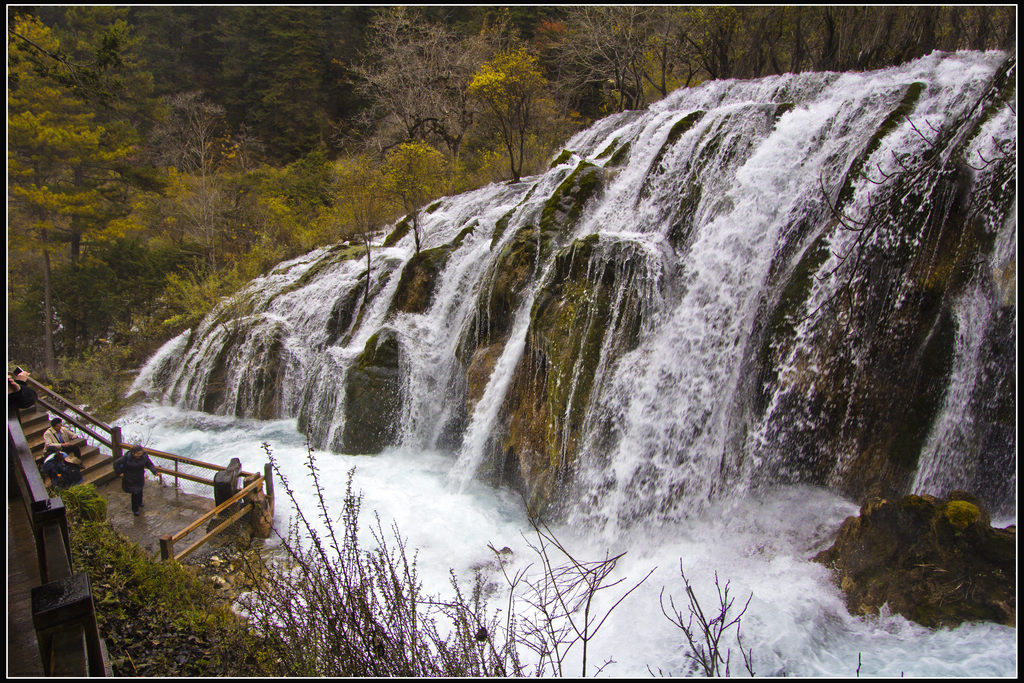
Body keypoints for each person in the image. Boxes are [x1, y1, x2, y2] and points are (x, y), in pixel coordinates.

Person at [114, 446, 159, 516]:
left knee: (140, 490)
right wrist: (119, 473)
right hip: (129, 478)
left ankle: (140, 502)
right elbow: (116, 463)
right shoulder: (127, 458)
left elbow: (149, 464)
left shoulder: (144, 456)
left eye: (140, 453)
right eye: (138, 454)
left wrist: (155, 472)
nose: (139, 455)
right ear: (133, 453)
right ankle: (135, 509)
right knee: (135, 493)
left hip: (139, 476)